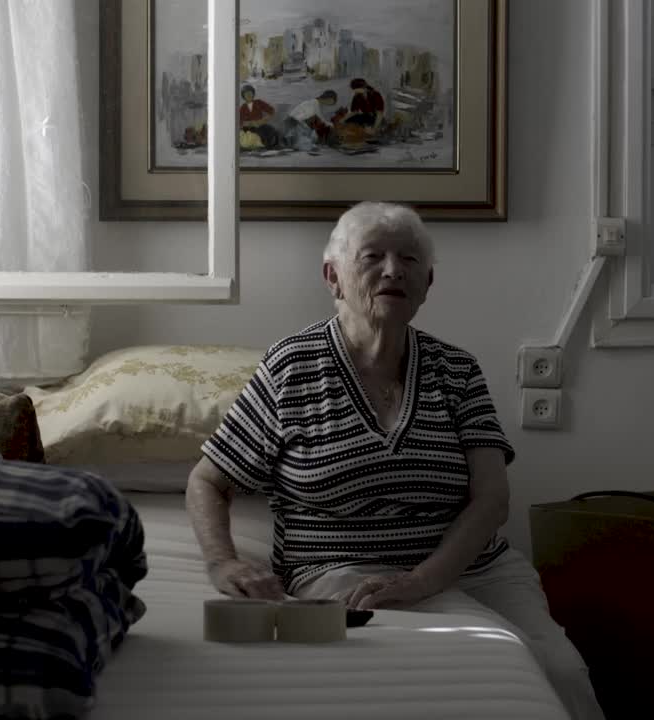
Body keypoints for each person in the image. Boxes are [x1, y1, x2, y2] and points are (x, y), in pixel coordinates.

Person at [185, 202, 606, 720]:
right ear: (333, 277)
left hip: (474, 567)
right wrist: (222, 560)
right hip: (341, 570)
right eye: (372, 257)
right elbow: (209, 481)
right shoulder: (291, 367)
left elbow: (492, 499)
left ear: (427, 283)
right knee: (468, 668)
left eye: (409, 259)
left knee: (562, 672)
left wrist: (424, 579)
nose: (393, 270)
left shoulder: (457, 370)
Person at [238, 84, 279, 149]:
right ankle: (264, 146)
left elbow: (271, 110)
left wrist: (264, 119)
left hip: (260, 124)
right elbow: (240, 121)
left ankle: (273, 145)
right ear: (243, 96)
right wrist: (248, 123)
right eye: (246, 94)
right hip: (249, 128)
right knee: (258, 134)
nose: (248, 95)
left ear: (253, 94)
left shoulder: (259, 102)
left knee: (271, 130)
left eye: (250, 93)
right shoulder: (242, 108)